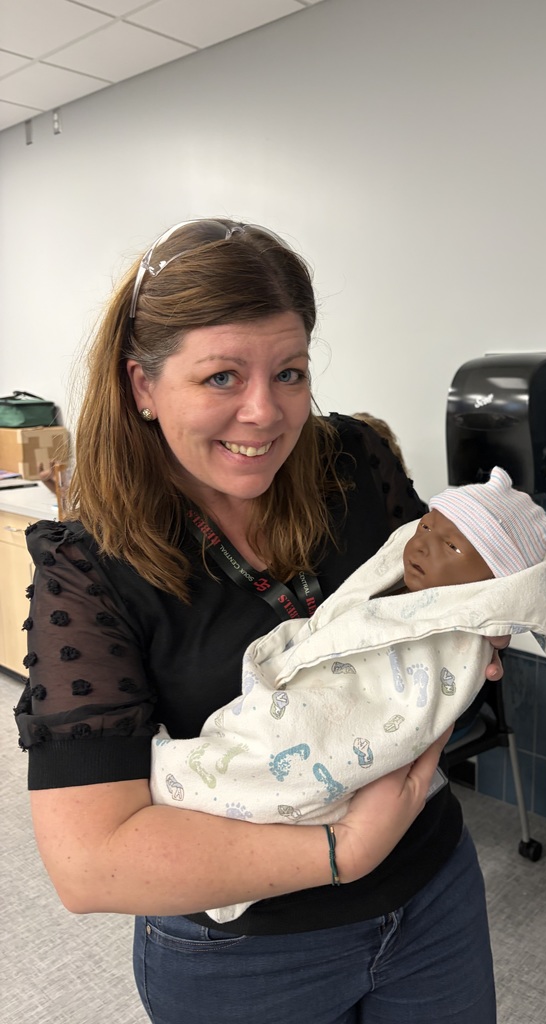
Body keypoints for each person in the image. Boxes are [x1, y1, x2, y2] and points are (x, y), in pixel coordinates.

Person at [14, 217, 511, 1024]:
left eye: (290, 371)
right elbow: (90, 861)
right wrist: (344, 852)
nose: (264, 413)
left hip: (432, 892)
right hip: (245, 957)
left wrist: (481, 629)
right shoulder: (89, 569)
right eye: (220, 378)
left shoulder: (355, 463)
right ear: (143, 385)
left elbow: (440, 605)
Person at [150, 466, 546, 923]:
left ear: (493, 586)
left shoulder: (456, 638)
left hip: (400, 843)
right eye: (426, 527)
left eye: (452, 545)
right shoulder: (402, 589)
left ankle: (198, 782)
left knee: (270, 755)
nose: (422, 544)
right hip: (307, 761)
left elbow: (401, 713)